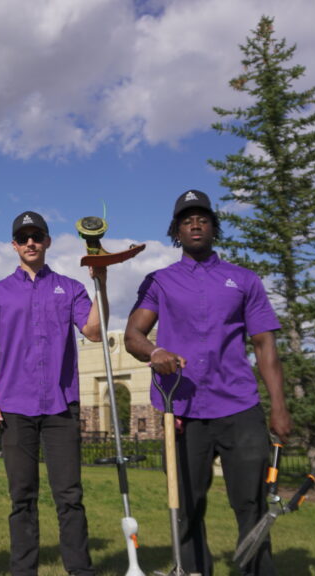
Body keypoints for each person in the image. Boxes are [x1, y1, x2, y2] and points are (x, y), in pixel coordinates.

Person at [123, 189, 293, 576]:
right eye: (186, 220)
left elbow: (266, 345)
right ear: (176, 232)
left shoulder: (244, 280)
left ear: (214, 228)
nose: (195, 224)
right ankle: (194, 571)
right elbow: (134, 334)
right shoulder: (160, 282)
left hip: (239, 406)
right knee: (185, 505)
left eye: (202, 219)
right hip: (182, 410)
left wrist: (279, 408)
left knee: (251, 503)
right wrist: (154, 353)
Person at [0, 210, 106, 576]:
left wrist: (103, 283)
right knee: (22, 498)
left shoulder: (71, 288)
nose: (31, 242)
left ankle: (80, 570)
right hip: (14, 407)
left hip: (60, 407)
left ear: (48, 241)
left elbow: (94, 331)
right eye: (24, 237)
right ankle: (23, 571)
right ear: (14, 245)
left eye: (37, 236)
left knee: (70, 497)